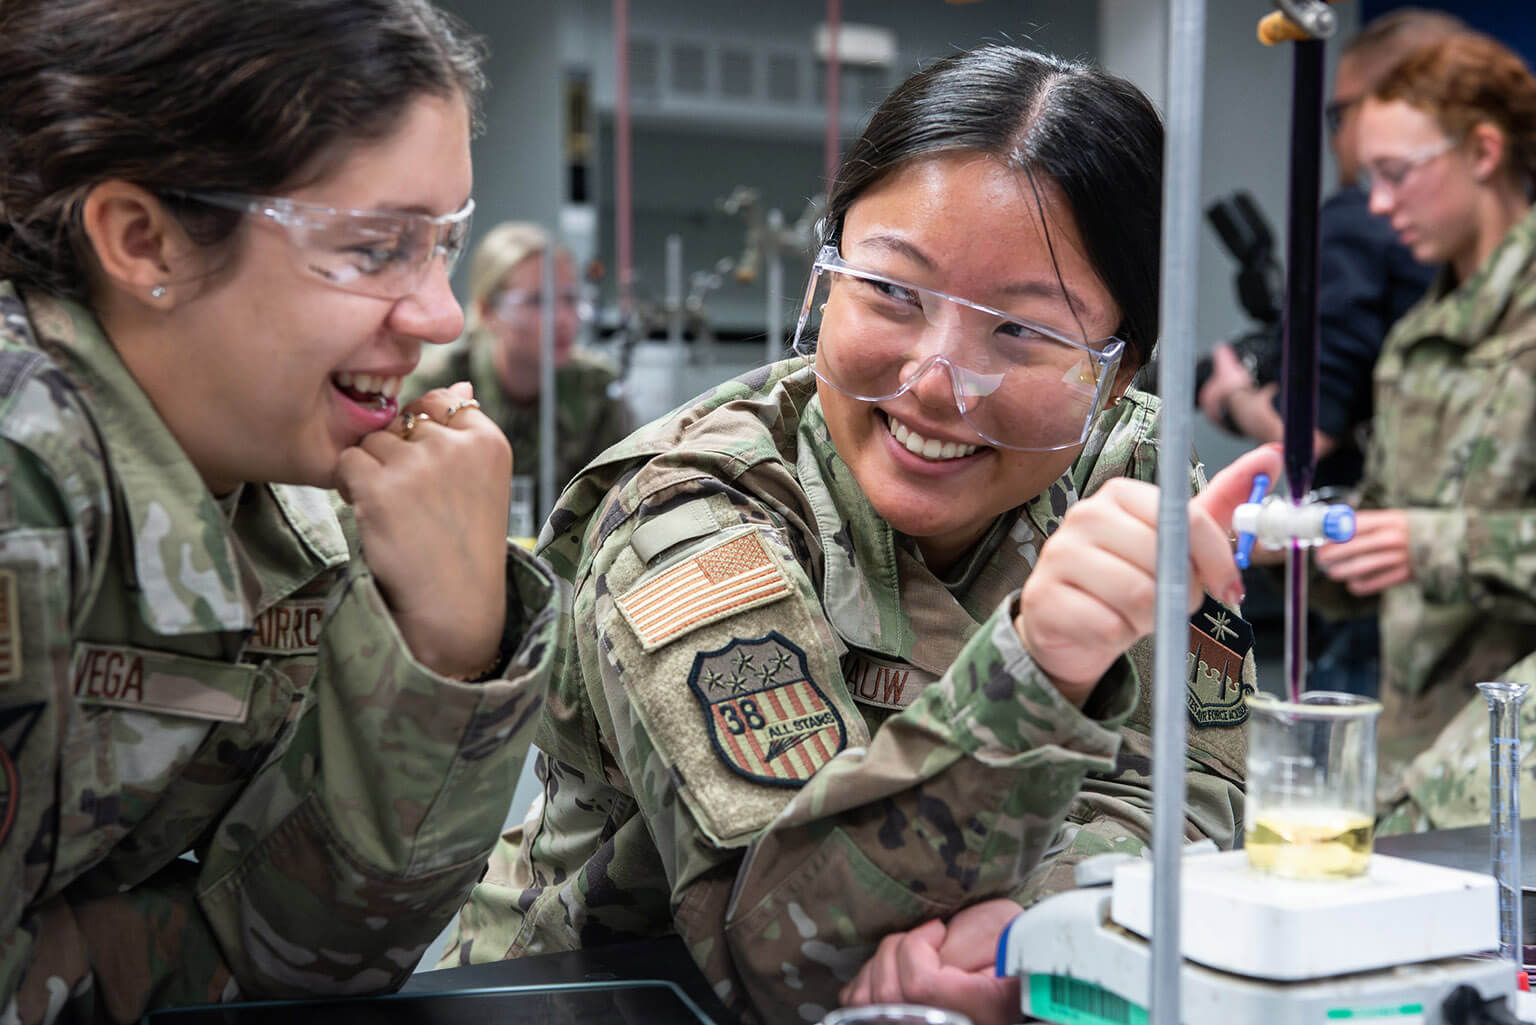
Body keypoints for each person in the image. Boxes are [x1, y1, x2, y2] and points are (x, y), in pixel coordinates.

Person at [443, 45, 1281, 1025]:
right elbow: (788, 939)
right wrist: (1042, 670)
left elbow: (1182, 810)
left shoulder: (1132, 481)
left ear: (1118, 369)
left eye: (1021, 332)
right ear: (827, 276)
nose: (935, 378)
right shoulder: (692, 508)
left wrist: (1028, 933)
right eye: (893, 291)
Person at [0, 2, 560, 1022]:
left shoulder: (292, 481)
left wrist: (447, 639)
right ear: (143, 239)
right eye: (376, 246)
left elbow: (297, 953)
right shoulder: (22, 490)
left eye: (443, 242)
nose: (439, 314)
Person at [1197, 9, 1460, 697]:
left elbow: (1305, 430)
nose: (1340, 139)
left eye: (1339, 113)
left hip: (1398, 614)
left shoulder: (1356, 225)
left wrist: (1232, 398)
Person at [1312, 31, 1536, 808]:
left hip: (1508, 772)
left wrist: (1428, 543)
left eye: (1396, 174)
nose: (1376, 204)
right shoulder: (1414, 341)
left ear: (1482, 151)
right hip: (1414, 760)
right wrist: (1310, 541)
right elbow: (1388, 532)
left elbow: (1423, 537)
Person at [407, 222, 634, 521]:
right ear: (489, 311)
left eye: (569, 299)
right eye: (537, 301)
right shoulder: (437, 383)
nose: (563, 319)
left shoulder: (596, 388)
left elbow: (625, 500)